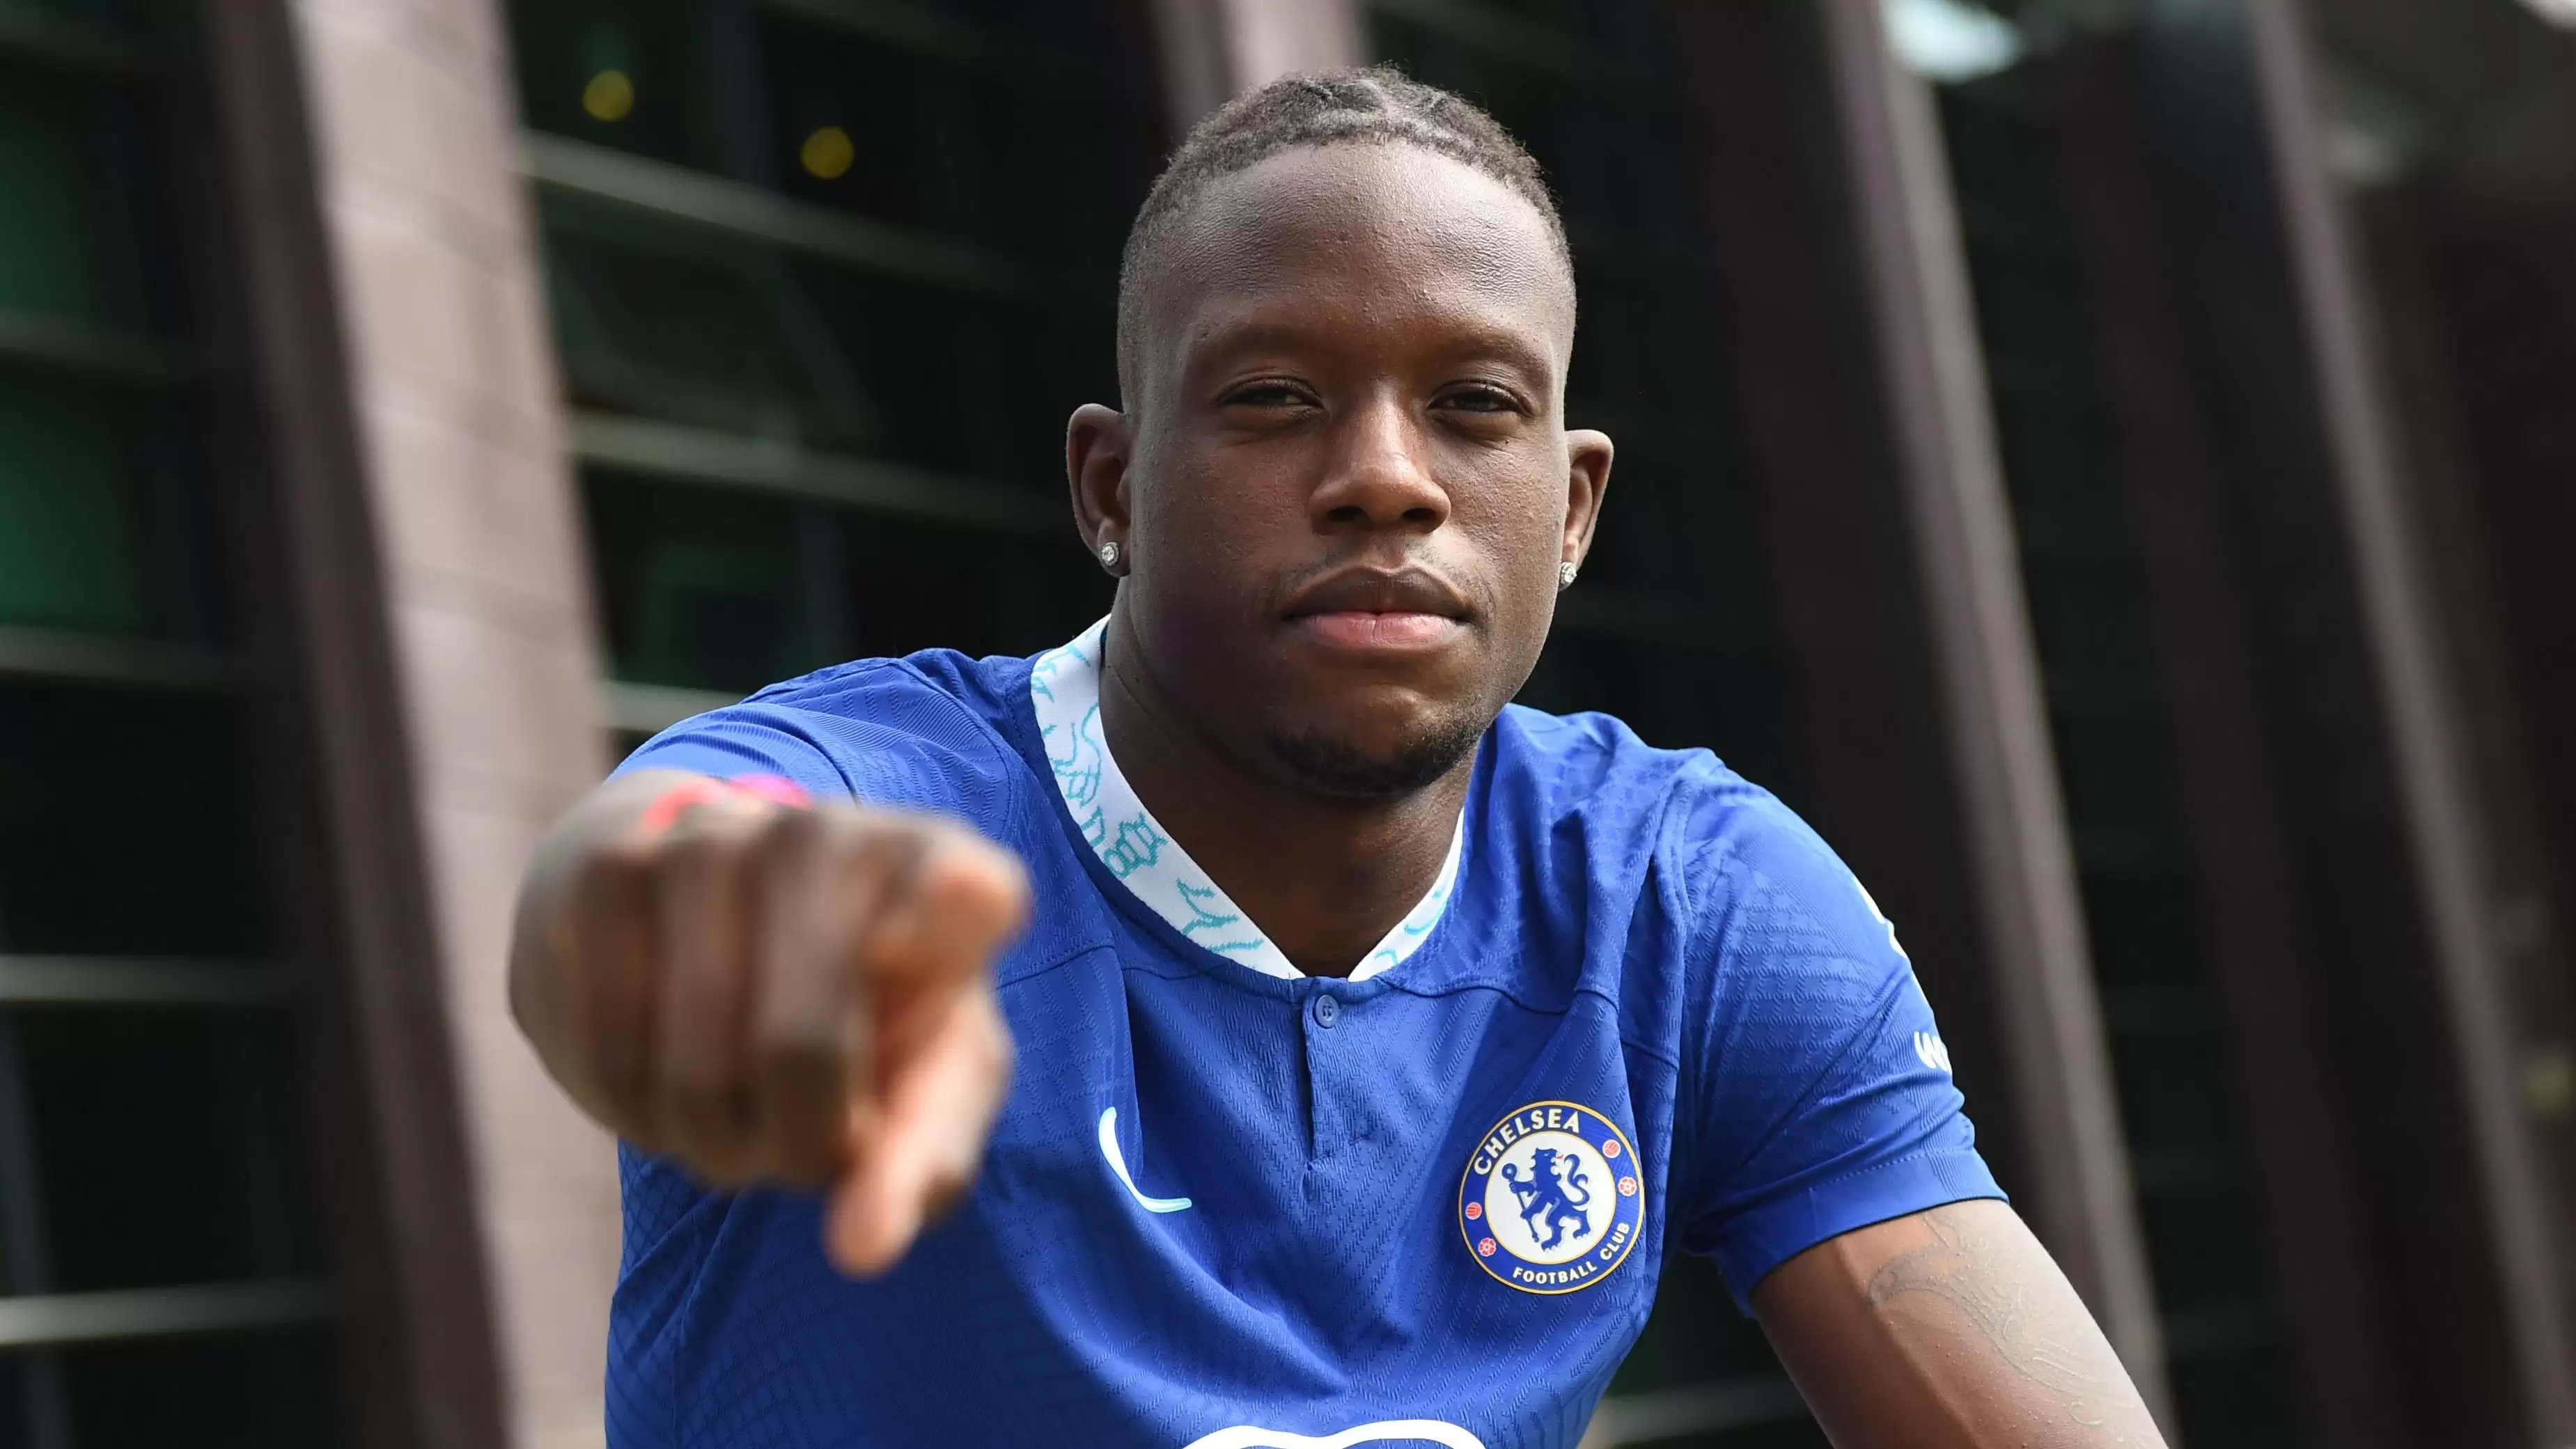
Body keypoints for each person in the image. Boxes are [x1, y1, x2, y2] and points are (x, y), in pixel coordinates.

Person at [509, 66, 2169, 1449]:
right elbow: (661, 861)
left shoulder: (1686, 902)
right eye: (1274, 396)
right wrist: (695, 921)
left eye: (1474, 403)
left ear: (1573, 505)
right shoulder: (898, 798)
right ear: (1112, 488)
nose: (1385, 475)